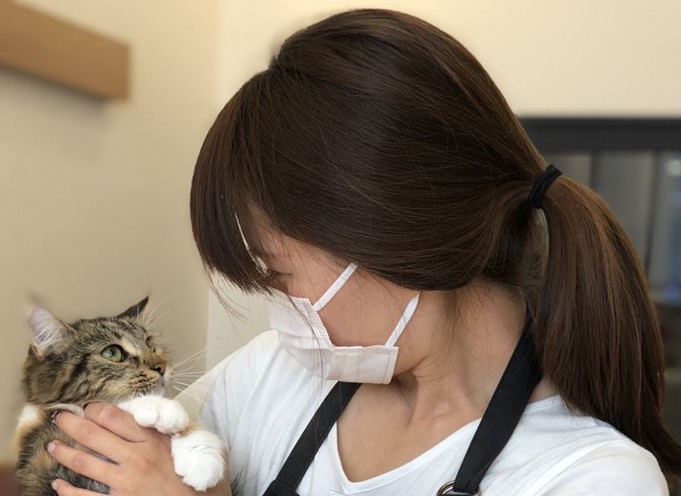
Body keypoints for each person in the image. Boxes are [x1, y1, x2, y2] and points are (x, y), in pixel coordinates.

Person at [48, 8, 681, 496]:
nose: (276, 307)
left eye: (278, 275)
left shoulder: (588, 476)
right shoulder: (269, 378)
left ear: (396, 240)